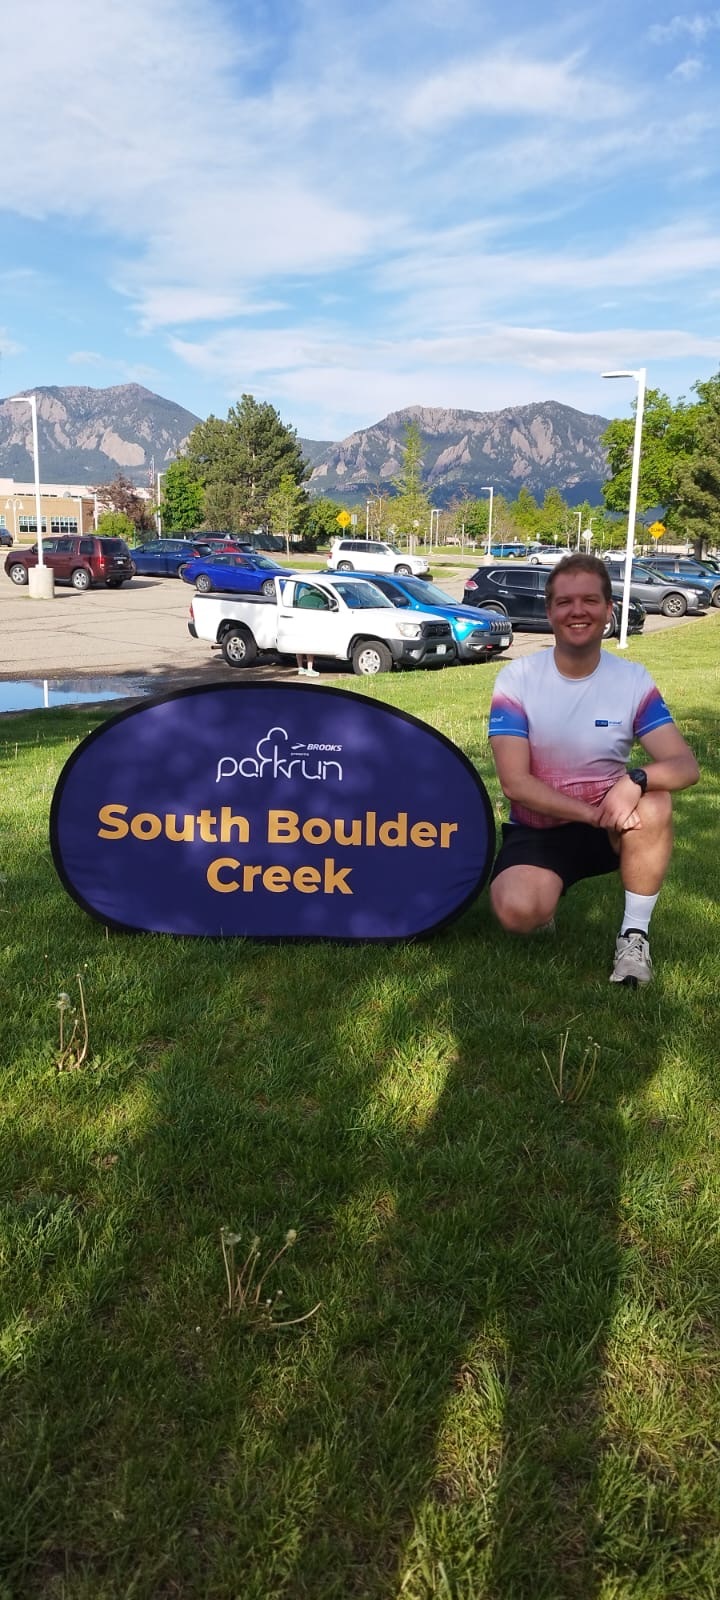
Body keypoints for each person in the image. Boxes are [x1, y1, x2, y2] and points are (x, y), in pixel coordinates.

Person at [488, 554, 700, 987]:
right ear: (549, 612)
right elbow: (516, 782)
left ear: (609, 610)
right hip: (542, 828)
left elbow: (684, 765)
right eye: (565, 602)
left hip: (613, 824)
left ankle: (634, 936)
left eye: (590, 600)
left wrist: (634, 780)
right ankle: (543, 904)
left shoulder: (633, 680)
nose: (577, 611)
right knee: (517, 914)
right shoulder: (517, 679)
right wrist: (592, 813)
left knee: (655, 803)